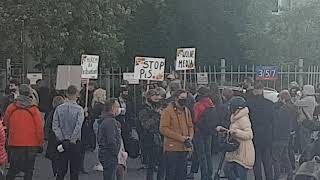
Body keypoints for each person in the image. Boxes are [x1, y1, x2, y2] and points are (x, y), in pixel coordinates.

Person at [4, 84, 44, 180]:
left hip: (14, 142)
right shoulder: (34, 109)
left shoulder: (11, 107)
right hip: (31, 144)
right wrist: (40, 142)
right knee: (29, 170)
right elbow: (39, 128)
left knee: (13, 169)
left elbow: (6, 123)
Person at [160, 89, 194, 180]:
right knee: (171, 173)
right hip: (172, 148)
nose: (184, 100)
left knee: (182, 173)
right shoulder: (167, 111)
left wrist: (189, 137)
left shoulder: (186, 110)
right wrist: (181, 138)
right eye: (182, 98)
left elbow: (190, 125)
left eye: (185, 98)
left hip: (184, 147)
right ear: (176, 98)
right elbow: (163, 129)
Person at [52, 85, 85, 180]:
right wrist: (72, 139)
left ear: (66, 94)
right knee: (74, 170)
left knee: (61, 169)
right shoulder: (79, 109)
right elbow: (78, 126)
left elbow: (55, 125)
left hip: (62, 142)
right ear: (77, 95)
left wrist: (61, 138)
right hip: (75, 143)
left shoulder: (59, 108)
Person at [219, 96, 255, 180]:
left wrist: (236, 132)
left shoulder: (243, 119)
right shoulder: (235, 118)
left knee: (240, 172)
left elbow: (249, 134)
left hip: (242, 151)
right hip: (236, 149)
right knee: (227, 169)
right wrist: (225, 130)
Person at [246, 83, 274, 180]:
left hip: (255, 135)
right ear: (263, 90)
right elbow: (273, 120)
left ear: (254, 91)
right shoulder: (270, 104)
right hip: (267, 135)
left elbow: (247, 120)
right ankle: (269, 178)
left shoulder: (249, 104)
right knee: (267, 161)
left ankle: (258, 178)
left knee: (256, 161)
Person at [192, 87, 220, 180]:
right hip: (209, 131)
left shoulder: (198, 105)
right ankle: (209, 174)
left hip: (199, 131)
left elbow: (195, 119)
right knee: (208, 153)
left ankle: (204, 175)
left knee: (201, 155)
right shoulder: (210, 103)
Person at [272, 90, 298, 180]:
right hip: (287, 136)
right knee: (285, 157)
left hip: (279, 136)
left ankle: (276, 177)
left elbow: (277, 123)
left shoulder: (282, 110)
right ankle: (290, 175)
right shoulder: (292, 108)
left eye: (280, 97)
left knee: (276, 159)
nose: (278, 99)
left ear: (283, 98)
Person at [139, 89, 163, 180]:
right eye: (154, 95)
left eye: (158, 95)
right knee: (151, 165)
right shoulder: (144, 109)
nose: (157, 97)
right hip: (150, 139)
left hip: (162, 137)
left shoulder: (160, 107)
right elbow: (146, 125)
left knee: (162, 164)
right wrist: (156, 115)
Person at [98, 98, 122, 180]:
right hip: (109, 155)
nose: (119, 109)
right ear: (112, 108)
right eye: (117, 106)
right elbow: (111, 140)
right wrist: (116, 153)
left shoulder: (105, 120)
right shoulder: (110, 122)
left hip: (106, 153)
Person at [45, 96, 65, 177]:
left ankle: (55, 171)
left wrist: (46, 136)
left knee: (54, 156)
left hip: (53, 137)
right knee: (61, 154)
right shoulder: (64, 112)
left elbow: (47, 125)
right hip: (62, 137)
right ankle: (60, 170)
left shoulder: (51, 113)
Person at [294, 85, 316, 151]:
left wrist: (298, 96)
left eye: (303, 89)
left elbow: (296, 103)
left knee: (304, 142)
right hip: (307, 121)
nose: (302, 91)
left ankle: (306, 156)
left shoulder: (308, 99)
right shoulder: (312, 98)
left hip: (304, 122)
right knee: (305, 140)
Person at [92, 88, 107, 172]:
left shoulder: (96, 105)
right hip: (99, 123)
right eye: (104, 95)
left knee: (99, 143)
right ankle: (99, 162)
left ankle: (99, 162)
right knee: (99, 143)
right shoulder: (100, 106)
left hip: (98, 123)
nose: (105, 96)